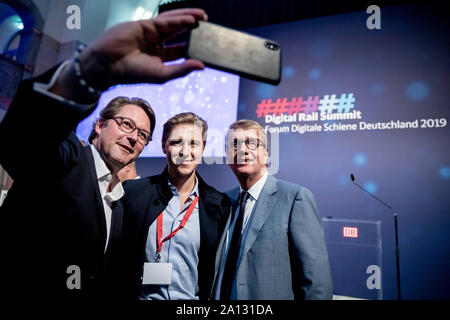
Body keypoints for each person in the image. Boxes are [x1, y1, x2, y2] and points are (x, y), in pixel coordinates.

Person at [0, 8, 208, 301]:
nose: (134, 137)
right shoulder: (69, 158)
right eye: (126, 124)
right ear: (99, 125)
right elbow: (22, 142)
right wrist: (89, 70)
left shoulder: (121, 203)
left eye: (143, 135)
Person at [212, 119, 333, 300]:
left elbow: (315, 281)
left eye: (251, 143)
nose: (243, 150)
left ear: (266, 153)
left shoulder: (295, 198)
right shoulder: (223, 202)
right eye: (234, 145)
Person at [120, 112, 231, 300]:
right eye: (176, 142)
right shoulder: (134, 193)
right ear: (164, 145)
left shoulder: (219, 205)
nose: (185, 151)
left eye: (193, 143)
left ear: (203, 148)